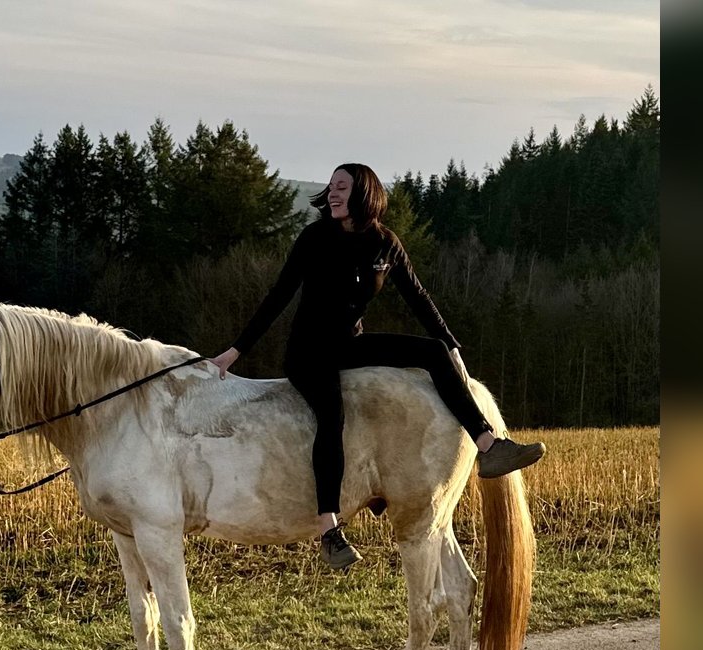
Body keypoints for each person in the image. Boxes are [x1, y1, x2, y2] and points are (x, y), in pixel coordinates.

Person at [209, 163, 545, 571]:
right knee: (332, 418)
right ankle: (329, 529)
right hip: (309, 353)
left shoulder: (385, 244)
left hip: (351, 345)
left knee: (434, 352)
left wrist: (454, 348)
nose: (332, 193)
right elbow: (278, 296)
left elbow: (417, 297)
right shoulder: (314, 238)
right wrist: (235, 351)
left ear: (363, 194)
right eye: (331, 186)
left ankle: (489, 447)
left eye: (342, 187)